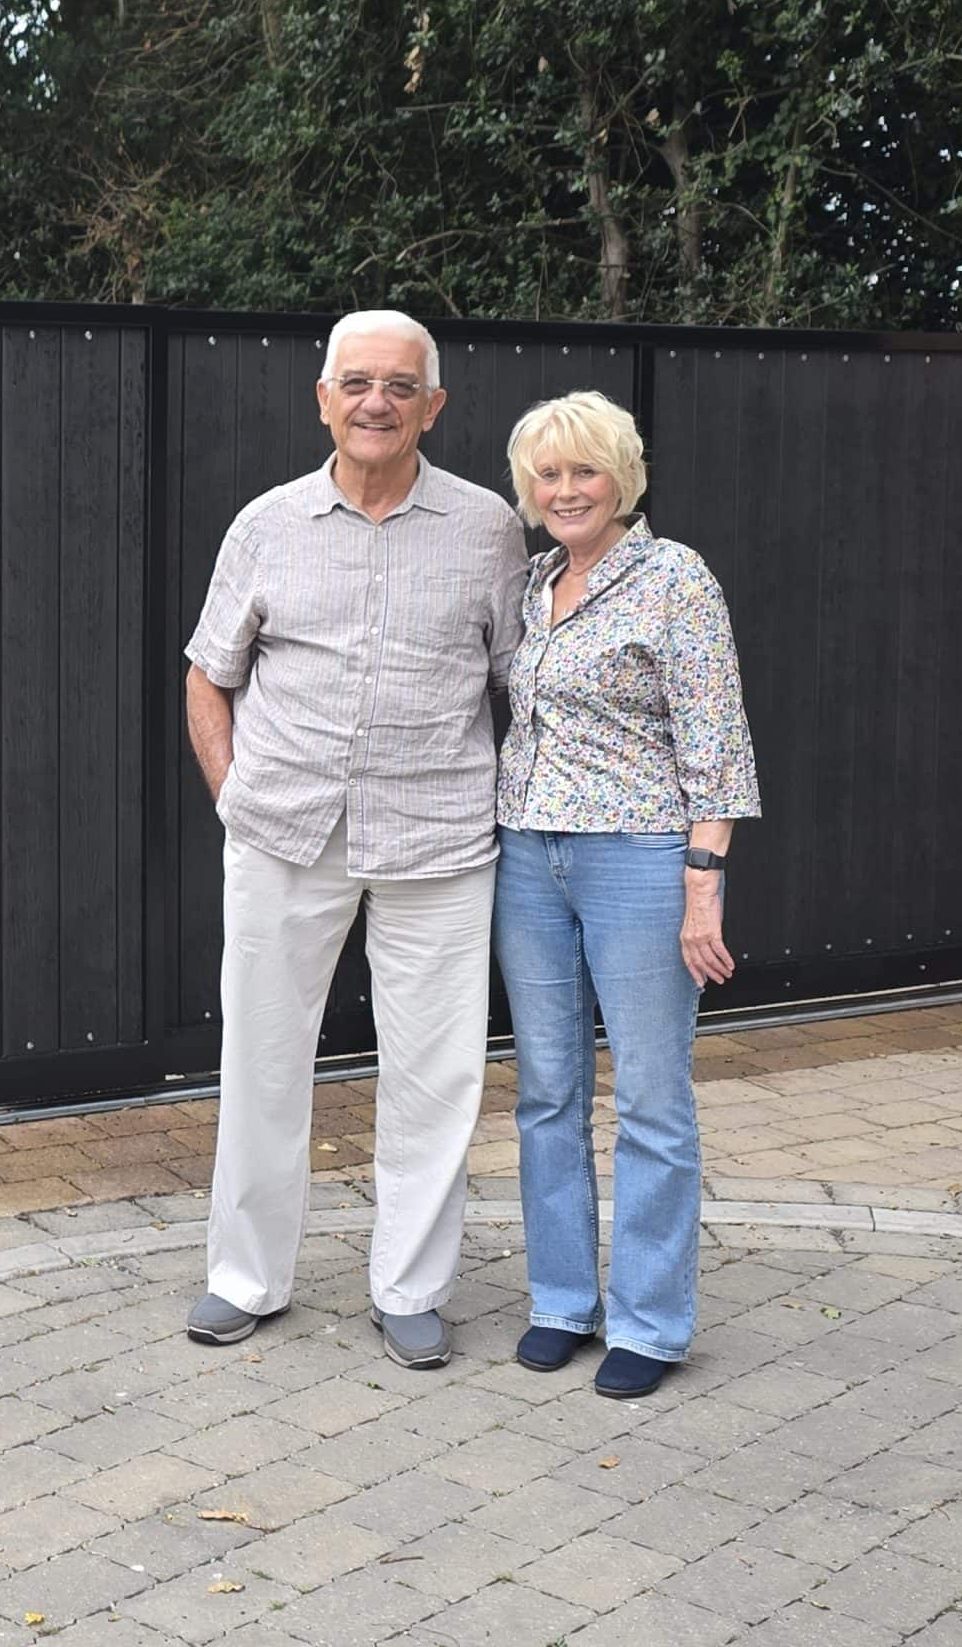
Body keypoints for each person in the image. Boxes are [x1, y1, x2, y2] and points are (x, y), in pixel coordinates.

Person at [182, 309, 527, 1369]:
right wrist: (234, 796)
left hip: (439, 843)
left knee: (434, 1072)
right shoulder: (265, 526)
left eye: (399, 385)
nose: (376, 402)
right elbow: (209, 674)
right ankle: (245, 1278)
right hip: (284, 834)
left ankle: (412, 1287)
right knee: (263, 1058)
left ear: (433, 406)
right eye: (356, 382)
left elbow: (522, 683)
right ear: (322, 398)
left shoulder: (488, 529)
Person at [493, 390, 760, 1399]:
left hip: (639, 859)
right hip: (528, 857)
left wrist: (703, 883)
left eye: (583, 470)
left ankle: (650, 1319)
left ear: (622, 477)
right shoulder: (533, 583)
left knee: (651, 1095)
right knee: (547, 1092)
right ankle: (562, 1299)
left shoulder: (673, 579)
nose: (565, 490)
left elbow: (717, 738)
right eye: (547, 475)